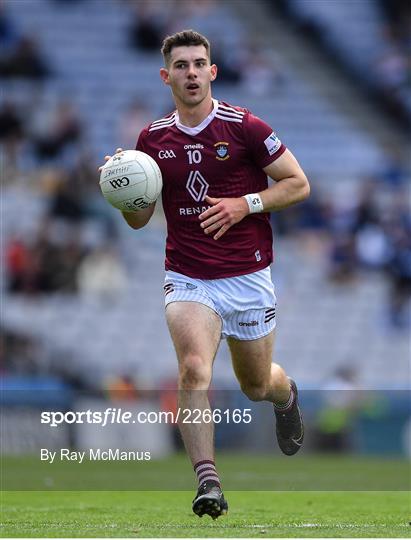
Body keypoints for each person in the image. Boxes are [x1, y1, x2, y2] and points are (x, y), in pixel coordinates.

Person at [100, 29, 310, 519]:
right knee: (195, 368)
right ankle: (208, 482)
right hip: (189, 277)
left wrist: (246, 204)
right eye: (181, 65)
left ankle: (287, 396)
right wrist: (122, 187)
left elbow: (298, 184)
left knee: (257, 385)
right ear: (165, 75)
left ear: (212, 72)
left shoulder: (245, 127)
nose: (191, 72)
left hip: (249, 275)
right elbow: (138, 219)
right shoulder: (151, 140)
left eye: (199, 64)